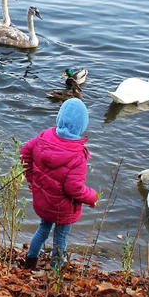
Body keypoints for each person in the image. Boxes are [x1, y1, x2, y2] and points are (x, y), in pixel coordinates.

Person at [20, 98, 98, 270]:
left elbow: (25, 151)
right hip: (64, 209)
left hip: (44, 201)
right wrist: (92, 196)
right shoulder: (78, 155)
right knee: (60, 239)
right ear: (82, 125)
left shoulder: (44, 136)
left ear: (59, 118)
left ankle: (30, 261)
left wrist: (32, 178)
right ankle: (56, 272)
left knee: (43, 230)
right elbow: (74, 188)